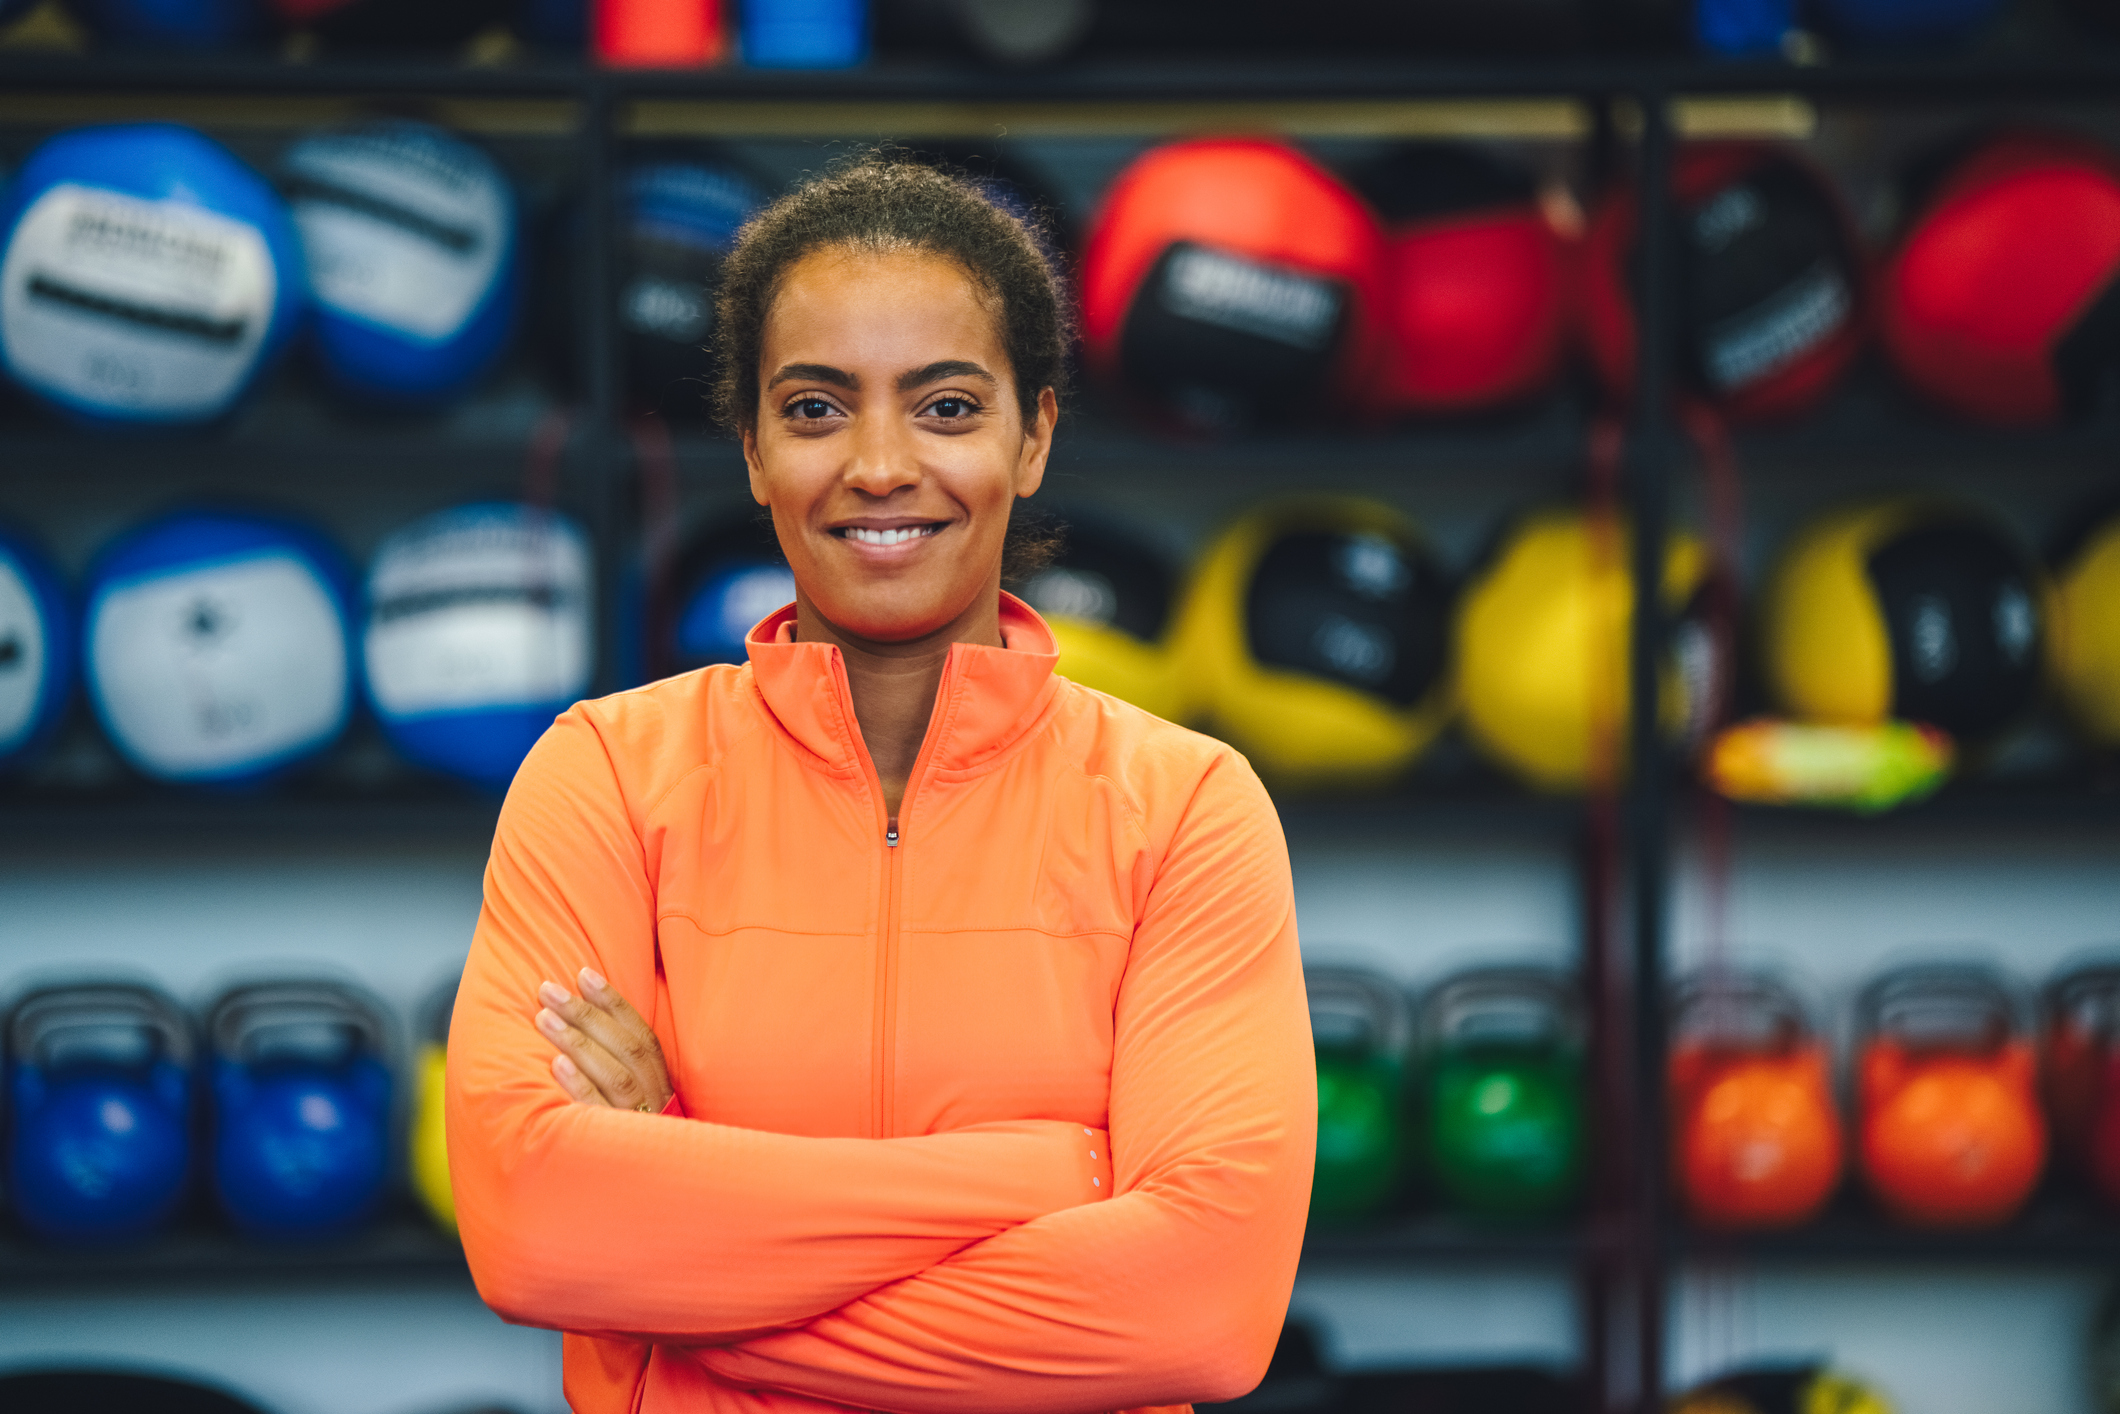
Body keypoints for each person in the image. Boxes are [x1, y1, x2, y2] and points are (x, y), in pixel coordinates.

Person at [445, 152, 1315, 1414]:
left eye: (947, 406)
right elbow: (536, 1228)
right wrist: (1052, 1177)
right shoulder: (606, 776)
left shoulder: (1183, 807)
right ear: (750, 448)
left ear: (1034, 438)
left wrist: (676, 1253)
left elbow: (1199, 1312)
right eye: (813, 408)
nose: (878, 464)